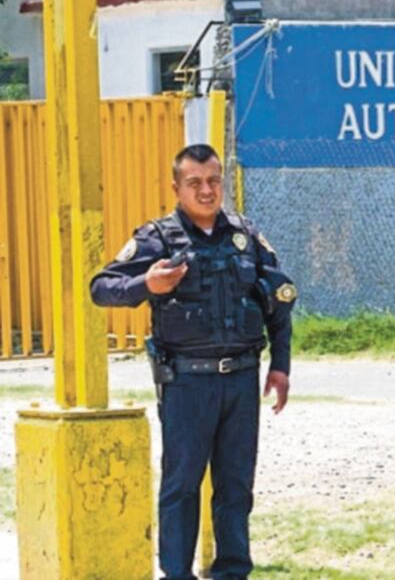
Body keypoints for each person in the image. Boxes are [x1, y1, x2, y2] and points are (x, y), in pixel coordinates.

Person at [90, 143, 296, 580]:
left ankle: (233, 571)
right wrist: (147, 283)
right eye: (195, 183)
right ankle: (176, 574)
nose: (206, 191)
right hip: (187, 383)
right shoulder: (158, 238)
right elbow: (102, 287)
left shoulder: (245, 235)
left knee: (236, 487)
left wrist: (280, 365)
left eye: (214, 180)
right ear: (176, 187)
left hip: (241, 380)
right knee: (181, 487)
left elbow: (279, 298)